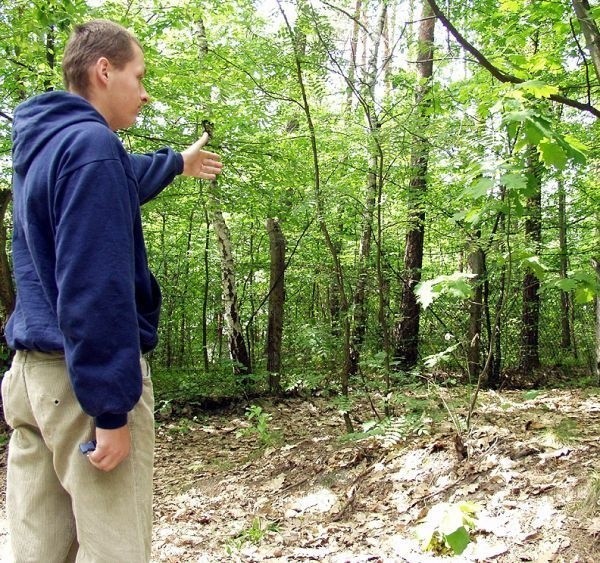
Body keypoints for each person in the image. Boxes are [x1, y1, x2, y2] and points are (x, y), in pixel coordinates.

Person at [1, 19, 223, 563]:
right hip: (81, 386)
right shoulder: (94, 148)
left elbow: (119, 181)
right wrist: (110, 410)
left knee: (35, 551)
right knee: (115, 550)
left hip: (30, 381)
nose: (145, 92)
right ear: (105, 71)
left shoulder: (47, 143)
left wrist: (176, 162)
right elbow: (94, 289)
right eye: (138, 75)